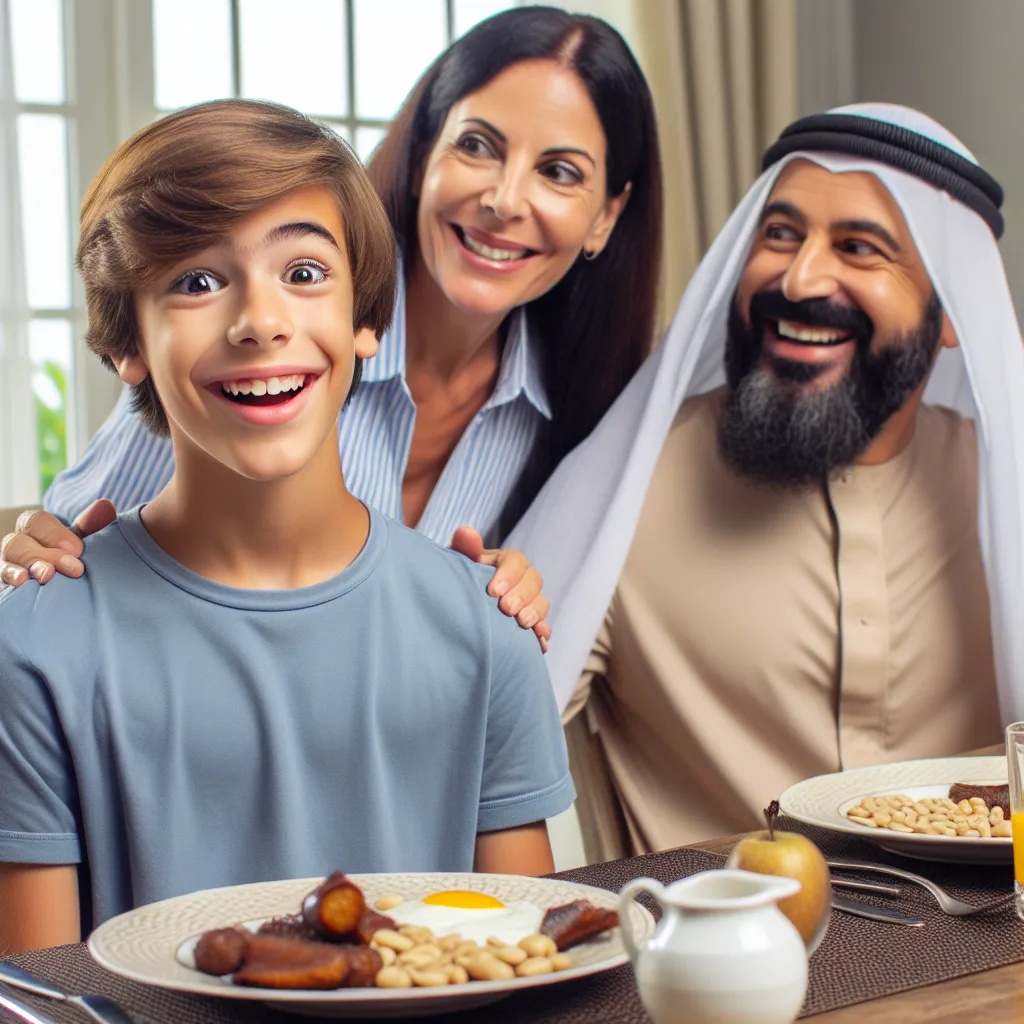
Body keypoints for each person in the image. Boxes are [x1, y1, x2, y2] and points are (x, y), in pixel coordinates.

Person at [0, 100, 574, 955]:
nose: (260, 322)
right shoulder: (37, 643)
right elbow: (38, 998)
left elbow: (532, 967)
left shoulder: (489, 629)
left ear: (366, 320)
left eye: (304, 273)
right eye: (195, 281)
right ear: (128, 343)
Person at [0, 5, 662, 629]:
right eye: (478, 146)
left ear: (606, 215)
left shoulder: (574, 408)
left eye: (559, 172)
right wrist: (38, 549)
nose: (506, 199)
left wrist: (500, 588)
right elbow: (69, 556)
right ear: (423, 155)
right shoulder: (258, 359)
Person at [506, 103, 1024, 857]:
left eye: (860, 247)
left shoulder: (1006, 489)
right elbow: (478, 741)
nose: (802, 275)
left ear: (950, 314)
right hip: (709, 963)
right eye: (780, 235)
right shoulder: (630, 487)